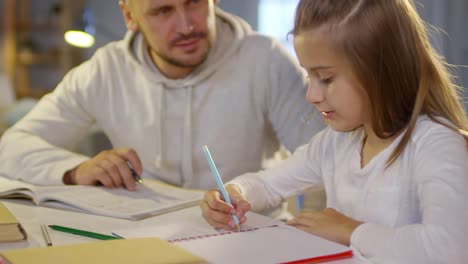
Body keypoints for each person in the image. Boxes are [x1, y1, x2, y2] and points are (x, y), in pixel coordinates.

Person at [200, 0, 468, 262]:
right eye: (309, 76)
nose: (311, 95)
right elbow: (268, 184)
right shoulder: (335, 143)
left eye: (326, 78)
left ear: (381, 69)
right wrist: (235, 194)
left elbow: (449, 250)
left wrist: (349, 230)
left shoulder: (437, 145)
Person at [0, 0, 324, 195]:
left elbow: (327, 159)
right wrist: (76, 169)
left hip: (250, 236)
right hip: (147, 238)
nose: (186, 26)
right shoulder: (105, 70)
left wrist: (254, 191)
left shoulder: (266, 60)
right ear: (129, 15)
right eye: (163, 10)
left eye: (193, 2)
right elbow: (11, 147)